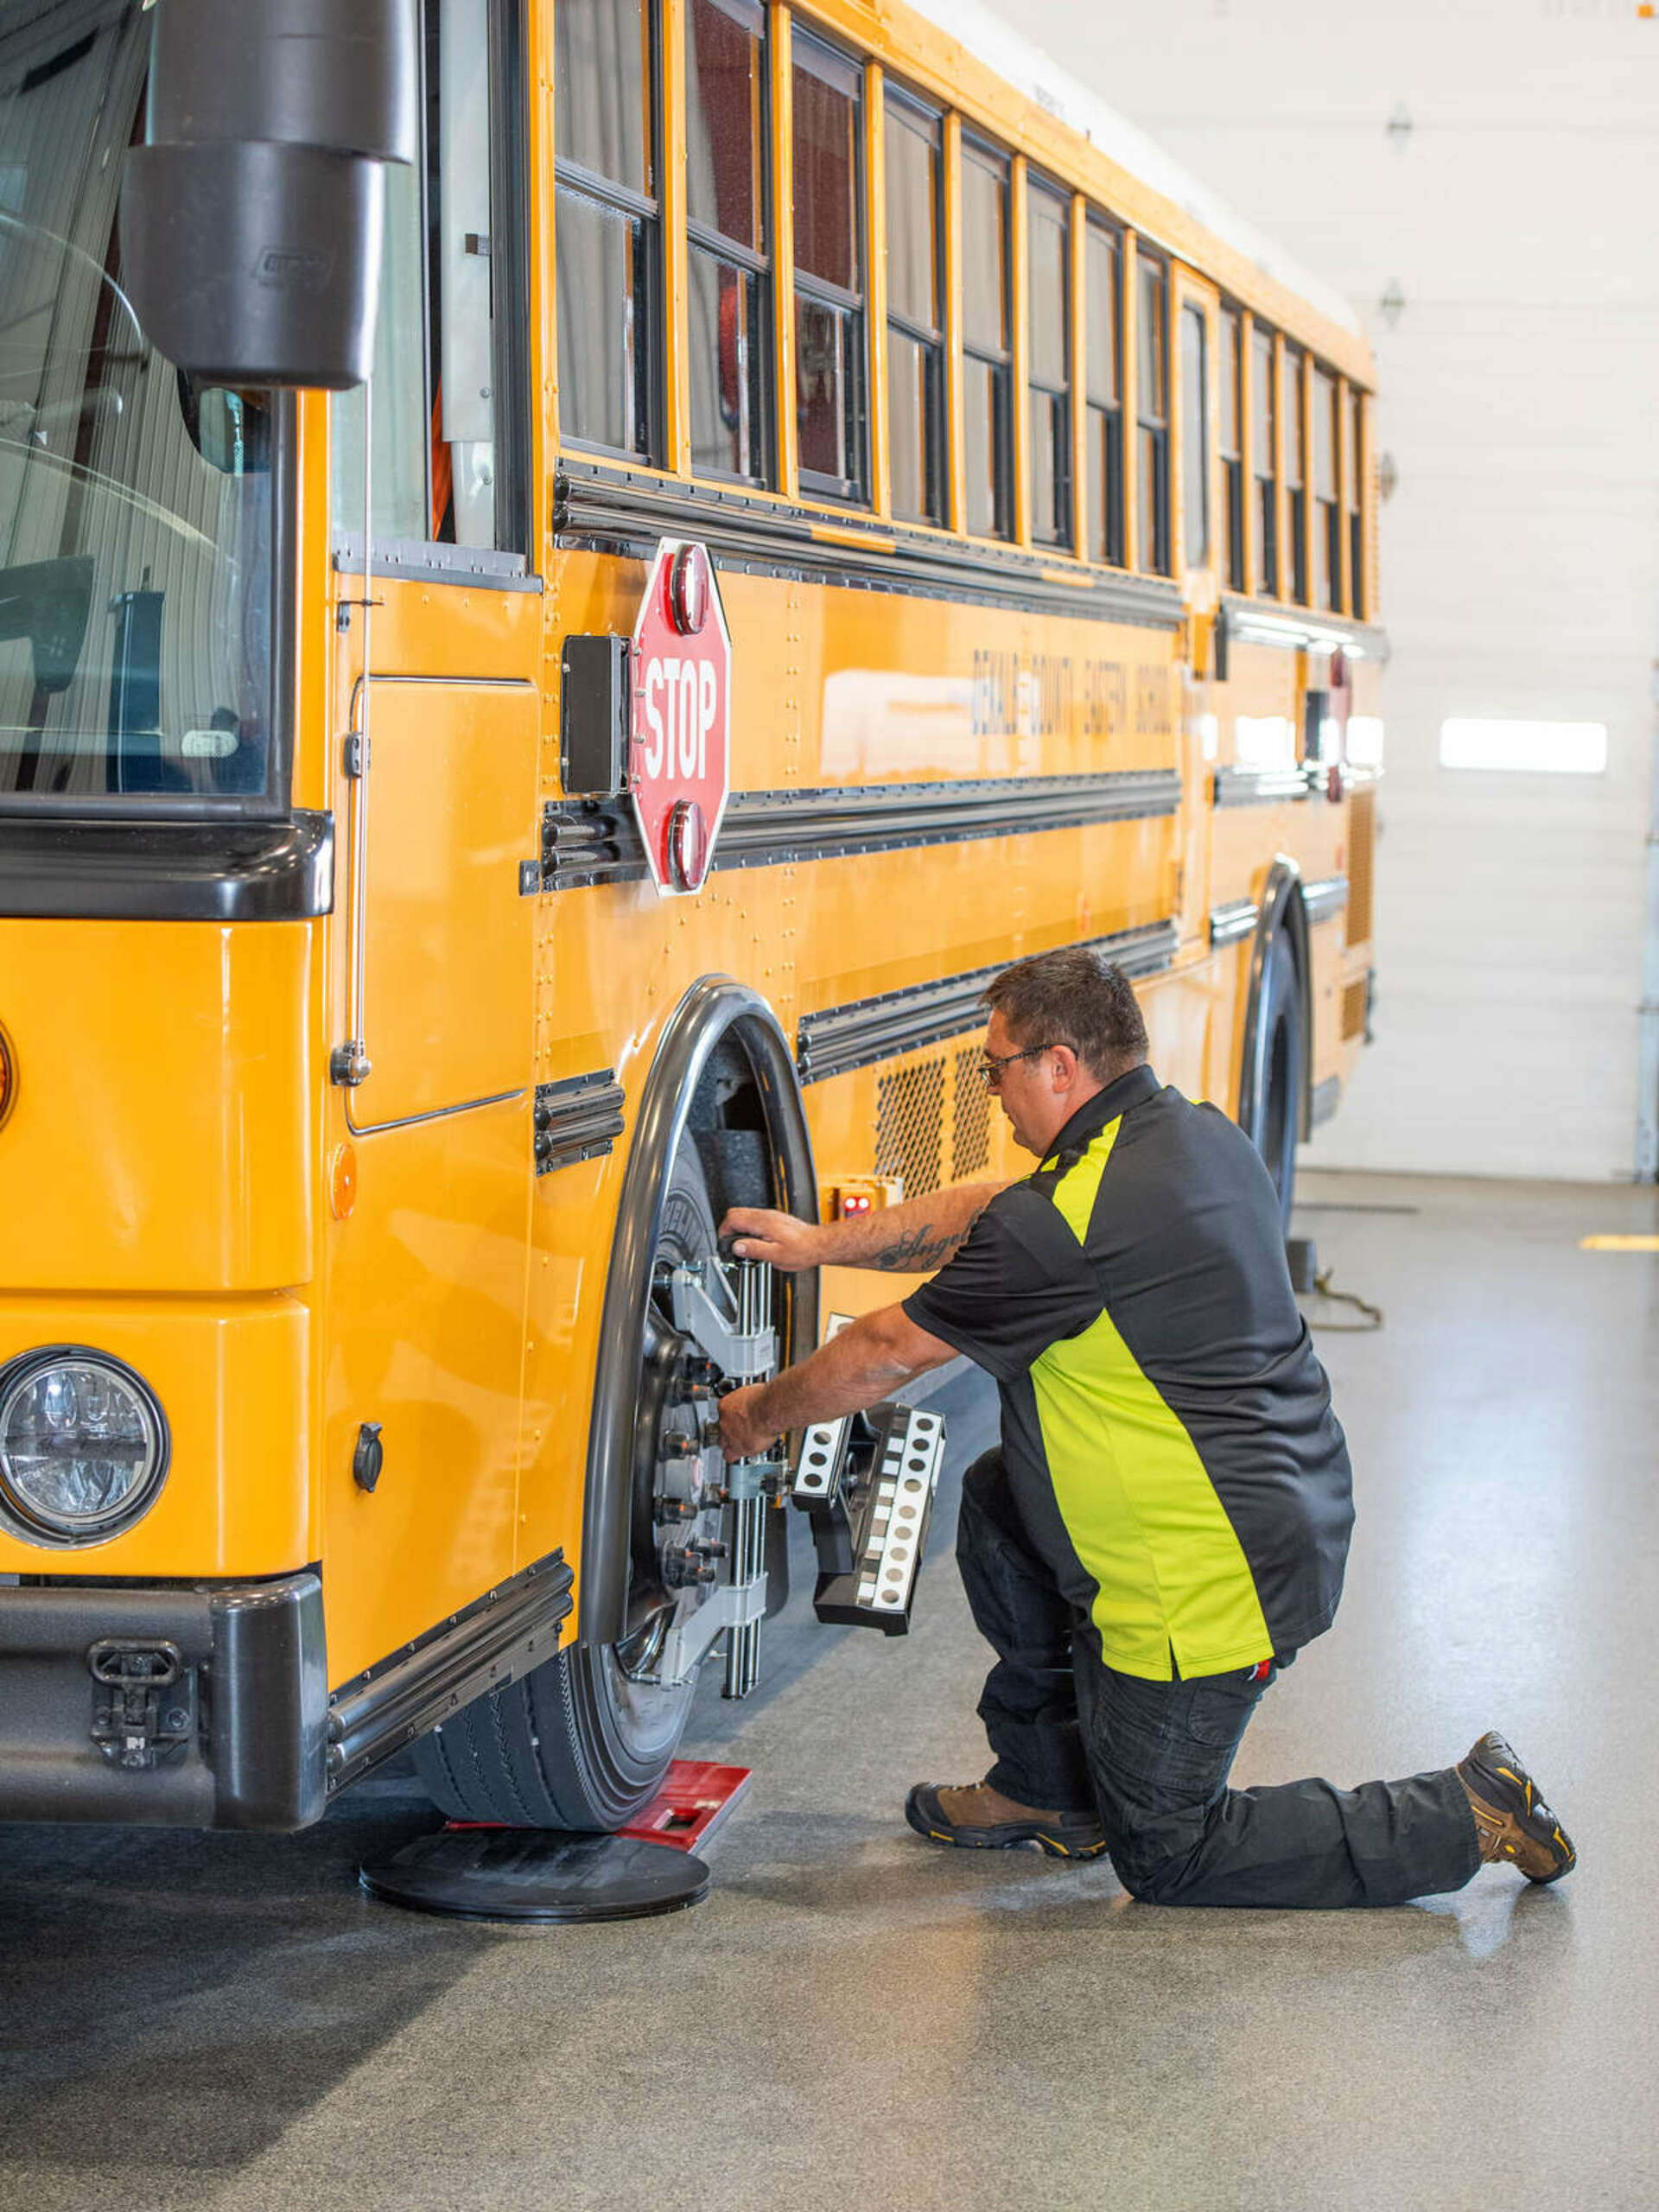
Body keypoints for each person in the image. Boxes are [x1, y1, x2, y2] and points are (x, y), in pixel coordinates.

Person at [715, 947, 1575, 1907]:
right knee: (1000, 1497)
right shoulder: (1198, 1138)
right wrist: (822, 1245)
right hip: (1285, 1509)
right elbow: (987, 1209)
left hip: (1212, 1580)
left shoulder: (1063, 1224)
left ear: (1059, 1066)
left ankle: (1466, 1811)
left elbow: (885, 1351)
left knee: (1169, 1851)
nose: (991, 1092)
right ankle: (1046, 1788)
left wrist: (751, 1418)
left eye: (995, 1068)